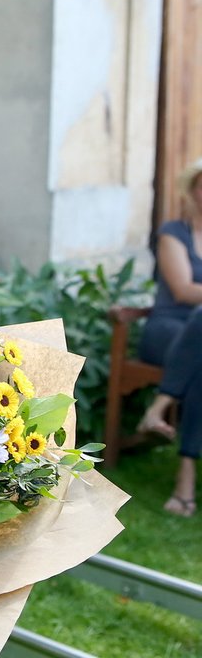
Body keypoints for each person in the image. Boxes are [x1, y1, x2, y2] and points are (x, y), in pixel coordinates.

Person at [137, 157, 202, 518]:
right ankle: (184, 485)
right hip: (166, 330)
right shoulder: (172, 233)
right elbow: (183, 290)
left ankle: (185, 479)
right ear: (192, 191)